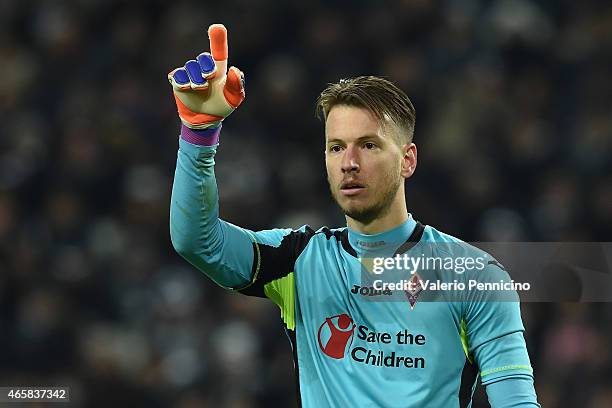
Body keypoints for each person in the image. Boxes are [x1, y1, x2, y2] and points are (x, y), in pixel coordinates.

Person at [168, 24, 540, 407]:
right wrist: (200, 132)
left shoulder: (474, 276)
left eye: (368, 145)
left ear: (407, 160)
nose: (349, 163)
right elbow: (198, 241)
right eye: (335, 147)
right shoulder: (298, 261)